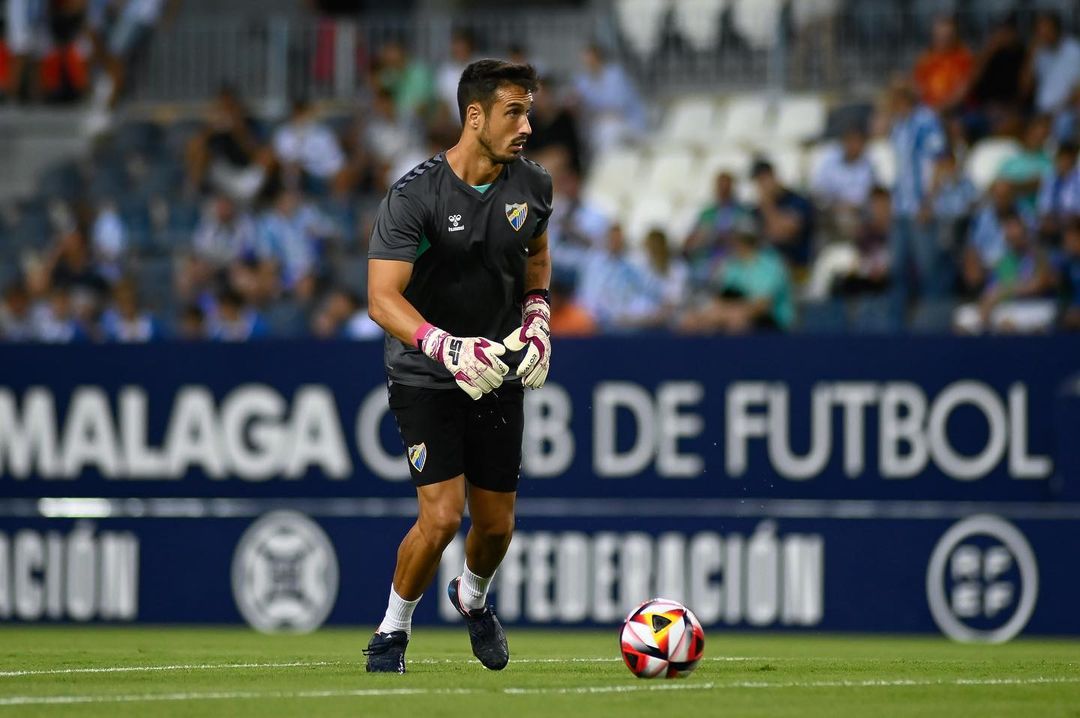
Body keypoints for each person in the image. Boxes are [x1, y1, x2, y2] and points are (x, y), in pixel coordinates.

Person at [363, 60, 552, 674]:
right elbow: (381, 299)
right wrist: (445, 346)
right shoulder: (414, 194)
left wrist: (539, 316)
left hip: (496, 368)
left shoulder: (533, 186)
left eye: (528, 110)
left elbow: (536, 254)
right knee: (442, 516)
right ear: (475, 116)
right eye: (513, 112)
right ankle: (392, 631)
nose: (526, 124)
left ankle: (472, 597)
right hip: (427, 371)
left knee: (496, 527)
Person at [913, 14, 974, 111]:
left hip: (957, 111)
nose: (944, 39)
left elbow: (962, 93)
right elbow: (918, 89)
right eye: (940, 35)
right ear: (934, 36)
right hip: (928, 111)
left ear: (955, 36)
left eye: (948, 36)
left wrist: (941, 109)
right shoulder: (925, 59)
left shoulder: (964, 58)